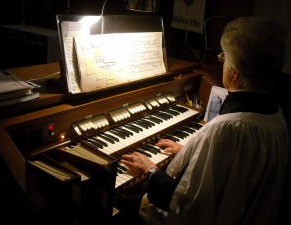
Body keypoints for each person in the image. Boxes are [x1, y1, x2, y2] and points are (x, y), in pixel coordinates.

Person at [117, 16, 289, 225]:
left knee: (124, 203)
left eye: (223, 58)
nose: (222, 62)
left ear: (234, 74)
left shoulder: (226, 128)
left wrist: (151, 171)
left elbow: (185, 204)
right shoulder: (275, 114)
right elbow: (235, 169)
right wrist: (192, 152)